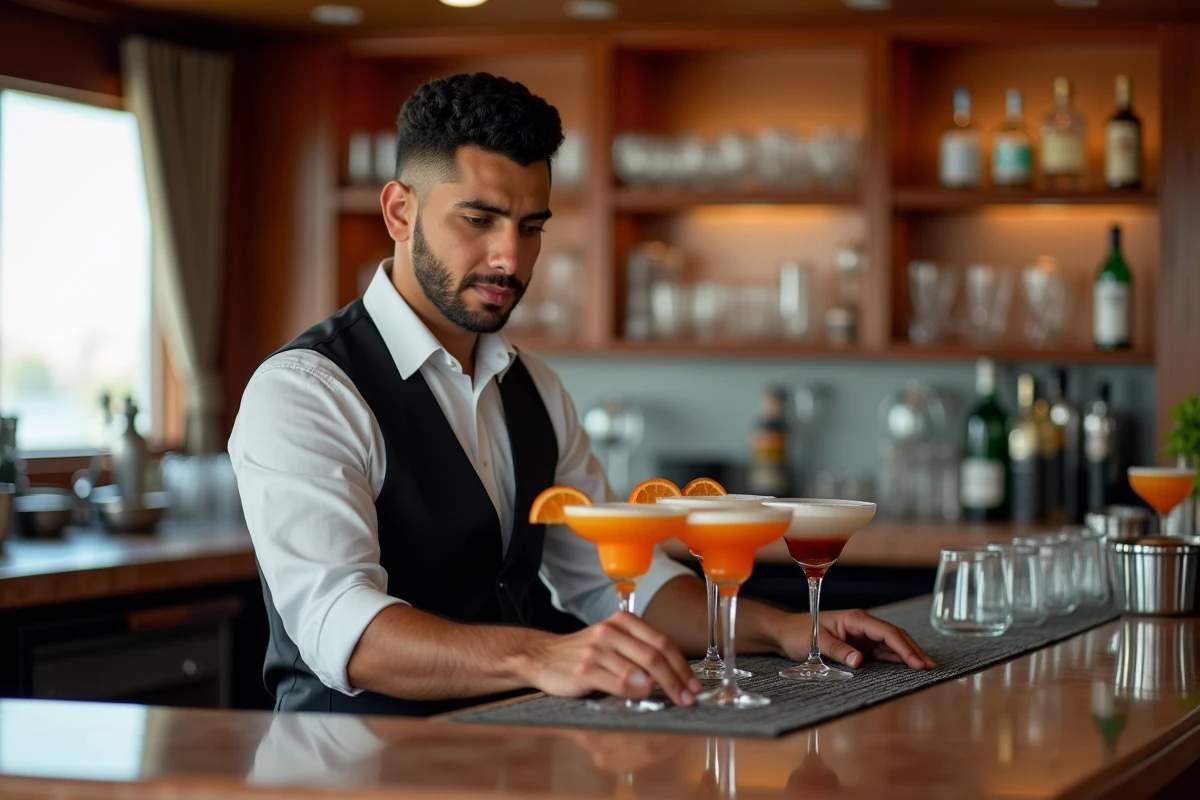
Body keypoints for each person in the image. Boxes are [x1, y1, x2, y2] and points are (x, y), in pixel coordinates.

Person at [229, 72, 935, 717]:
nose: (510, 257)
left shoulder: (534, 387)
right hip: (351, 770)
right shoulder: (306, 391)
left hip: (508, 753)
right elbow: (342, 627)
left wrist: (784, 629)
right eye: (478, 220)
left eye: (531, 227)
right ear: (399, 211)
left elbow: (614, 577)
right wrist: (542, 655)